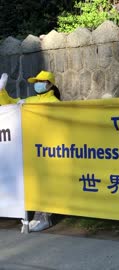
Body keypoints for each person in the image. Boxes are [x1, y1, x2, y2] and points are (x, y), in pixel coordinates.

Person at [0, 70, 61, 232]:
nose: (37, 85)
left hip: (47, 149)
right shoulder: (31, 100)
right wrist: (2, 91)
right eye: (35, 82)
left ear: (50, 84)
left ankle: (44, 217)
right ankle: (34, 216)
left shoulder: (54, 103)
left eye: (40, 82)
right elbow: (10, 105)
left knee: (44, 181)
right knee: (33, 181)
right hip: (30, 147)